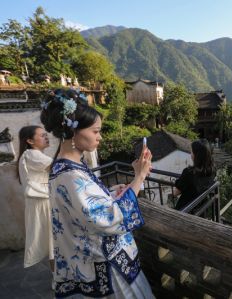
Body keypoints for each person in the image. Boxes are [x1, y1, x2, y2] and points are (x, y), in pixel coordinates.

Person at [40, 89, 154, 298]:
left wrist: (115, 192)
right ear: (74, 132)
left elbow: (85, 208)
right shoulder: (70, 175)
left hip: (94, 263)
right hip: (105, 269)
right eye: (95, 131)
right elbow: (108, 219)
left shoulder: (68, 167)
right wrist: (139, 177)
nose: (100, 137)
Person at [17, 125, 54, 269]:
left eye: (46, 134)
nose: (46, 137)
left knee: (53, 242)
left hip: (40, 201)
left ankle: (57, 277)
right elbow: (59, 165)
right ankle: (58, 278)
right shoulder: (32, 154)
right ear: (30, 141)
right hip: (43, 201)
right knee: (54, 240)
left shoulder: (30, 155)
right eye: (42, 135)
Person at [174, 139, 216, 210]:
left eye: (192, 152)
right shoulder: (212, 170)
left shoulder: (189, 172)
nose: (191, 154)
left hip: (186, 209)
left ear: (196, 155)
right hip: (201, 208)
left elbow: (175, 193)